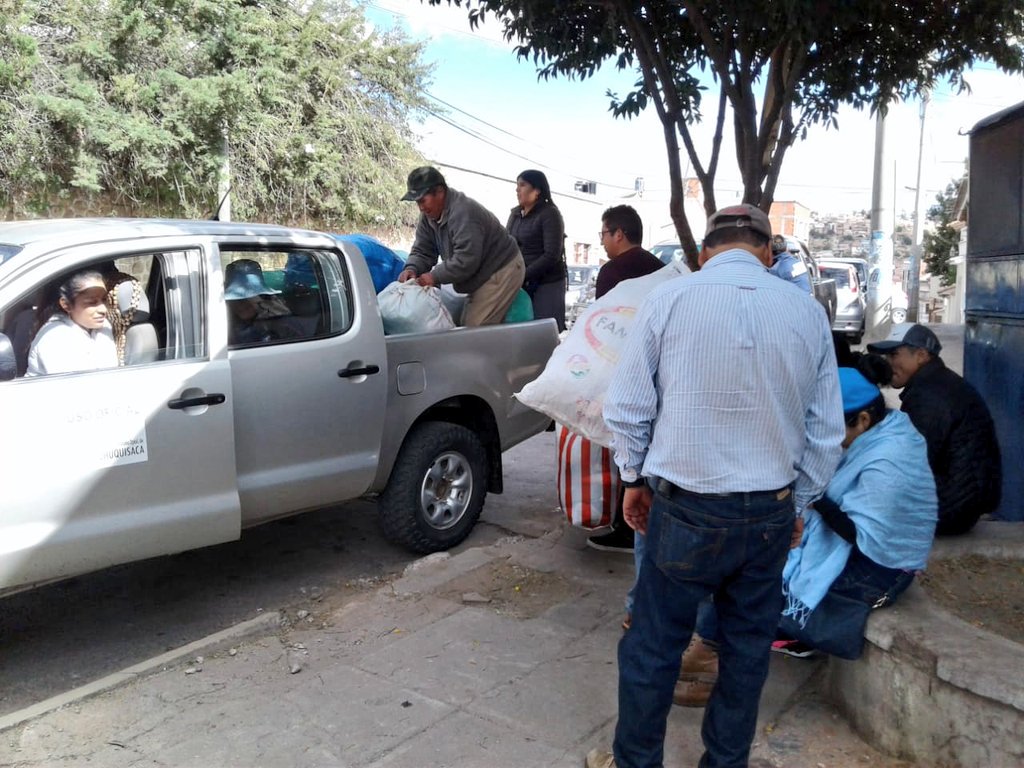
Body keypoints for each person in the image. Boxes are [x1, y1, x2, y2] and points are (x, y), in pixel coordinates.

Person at [586, 204, 844, 768]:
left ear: (705, 252)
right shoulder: (806, 313)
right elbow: (826, 434)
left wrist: (633, 480)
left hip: (684, 511)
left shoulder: (670, 300)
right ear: (768, 253)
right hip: (769, 513)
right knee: (746, 652)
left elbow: (627, 409)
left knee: (653, 647)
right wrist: (799, 503)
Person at [867, 323, 1002, 535]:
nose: (889, 363)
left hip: (949, 509)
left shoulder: (929, 396)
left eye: (894, 355)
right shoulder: (936, 383)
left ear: (921, 355)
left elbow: (911, 462)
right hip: (960, 502)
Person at [586, 206, 665, 557]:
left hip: (623, 368)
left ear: (619, 233)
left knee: (623, 446)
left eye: (603, 234)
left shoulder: (613, 271)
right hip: (660, 370)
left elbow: (603, 325)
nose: (602, 242)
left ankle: (625, 525)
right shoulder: (661, 270)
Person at [399, 166, 525, 327]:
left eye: (423, 200)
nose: (421, 207)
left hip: (502, 268)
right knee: (464, 326)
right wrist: (412, 268)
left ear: (439, 192)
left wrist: (434, 276)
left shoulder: (463, 212)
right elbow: (423, 250)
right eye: (417, 202)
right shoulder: (428, 217)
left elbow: (466, 259)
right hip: (481, 272)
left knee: (474, 328)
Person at [25, 269, 118, 376]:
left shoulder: (102, 325)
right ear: (66, 305)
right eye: (92, 302)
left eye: (104, 299)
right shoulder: (56, 337)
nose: (103, 309)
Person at [505, 169, 567, 330]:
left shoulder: (550, 214)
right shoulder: (515, 214)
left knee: (544, 332)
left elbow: (552, 254)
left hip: (547, 283)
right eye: (516, 185)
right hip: (520, 283)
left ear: (537, 190)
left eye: (522, 185)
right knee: (522, 332)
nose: (517, 189)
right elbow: (506, 245)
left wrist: (524, 274)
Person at [224, 259, 305, 346]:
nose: (241, 305)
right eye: (235, 299)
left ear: (260, 297)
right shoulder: (220, 324)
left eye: (247, 298)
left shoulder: (277, 319)